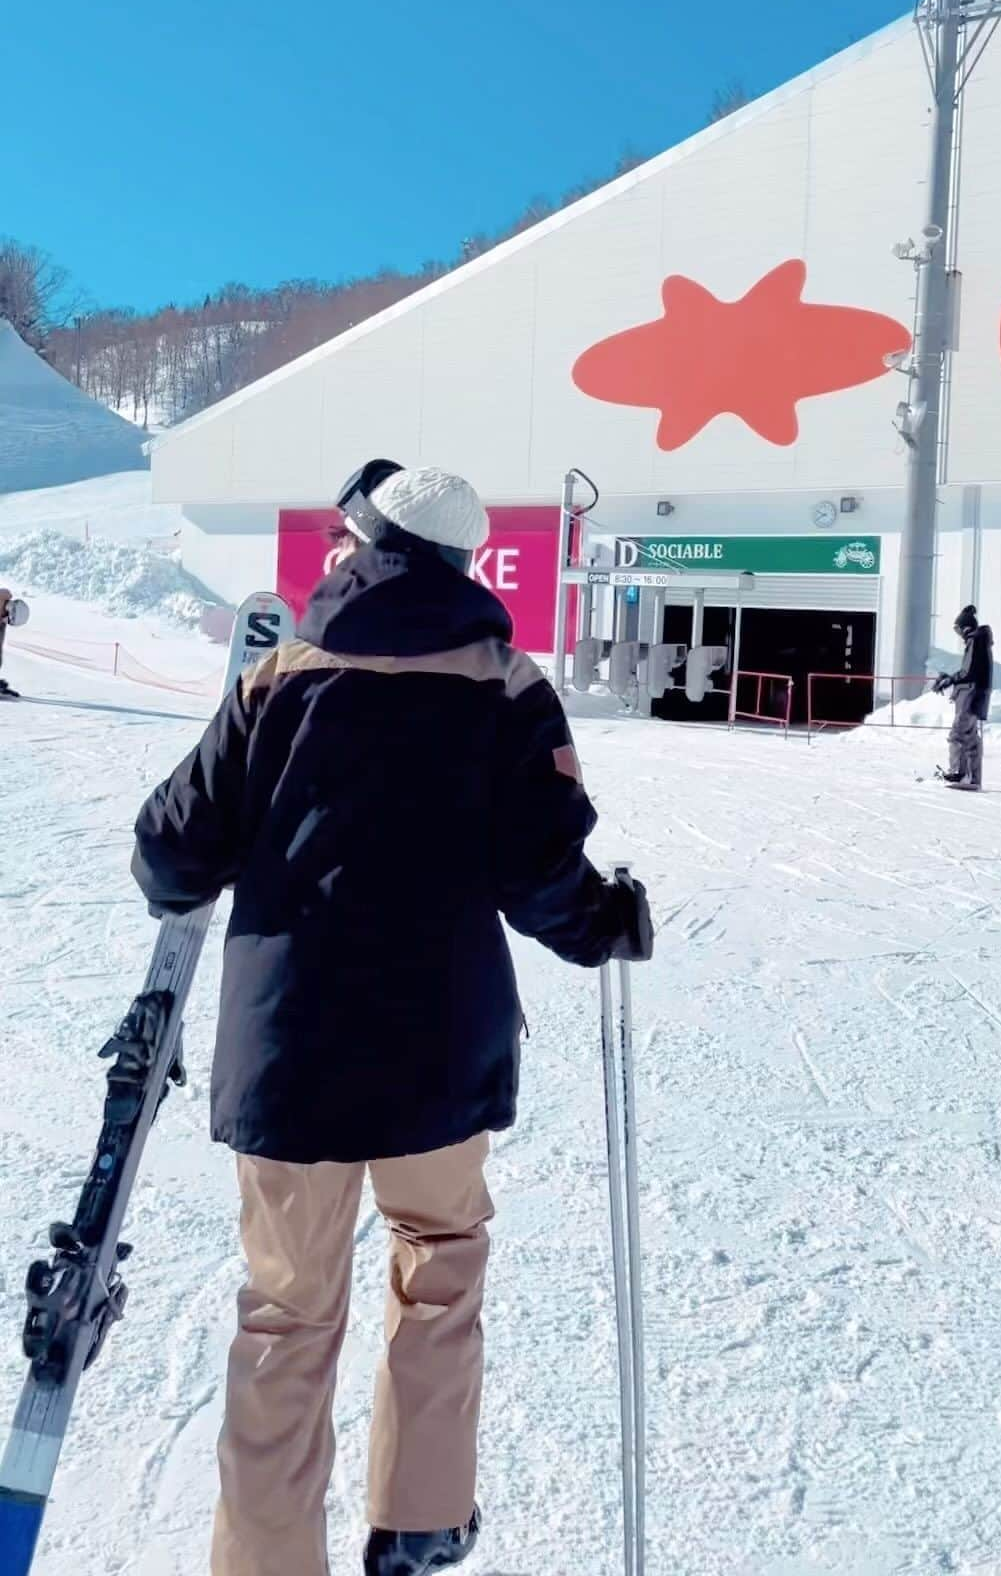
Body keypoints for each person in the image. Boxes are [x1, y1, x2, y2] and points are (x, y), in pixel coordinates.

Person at [131, 459, 653, 1576]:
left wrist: (199, 882)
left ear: (363, 550)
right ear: (463, 566)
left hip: (288, 1055)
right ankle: (418, 1515)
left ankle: (266, 1561)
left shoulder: (281, 675)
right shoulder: (504, 681)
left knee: (285, 1310)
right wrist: (600, 920)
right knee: (441, 1255)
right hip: (437, 1048)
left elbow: (171, 848)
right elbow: (538, 869)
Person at [935, 603, 994, 790]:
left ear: (965, 627)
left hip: (971, 696)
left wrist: (951, 680)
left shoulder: (975, 641)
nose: (958, 634)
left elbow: (968, 672)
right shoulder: (981, 640)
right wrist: (952, 678)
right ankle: (973, 777)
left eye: (958, 629)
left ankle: (958, 774)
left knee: (958, 735)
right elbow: (971, 671)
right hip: (976, 695)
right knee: (970, 737)